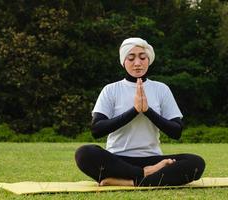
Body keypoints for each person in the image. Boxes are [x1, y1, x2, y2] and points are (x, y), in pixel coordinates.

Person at [75, 37, 205, 186]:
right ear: (123, 61)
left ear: (149, 60)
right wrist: (134, 111)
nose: (137, 63)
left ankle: (130, 181)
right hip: (118, 160)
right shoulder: (110, 90)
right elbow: (97, 129)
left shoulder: (161, 89)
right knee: (84, 153)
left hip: (152, 158)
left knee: (195, 163)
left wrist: (148, 111)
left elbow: (176, 132)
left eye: (143, 58)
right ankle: (143, 175)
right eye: (131, 58)